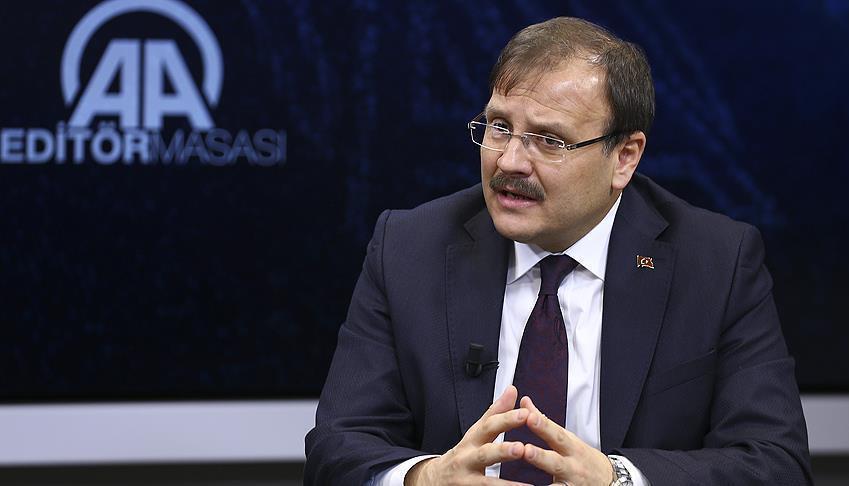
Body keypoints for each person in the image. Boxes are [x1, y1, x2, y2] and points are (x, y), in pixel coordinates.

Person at [304, 17, 812, 486]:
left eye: (549, 140)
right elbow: (336, 449)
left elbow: (776, 464)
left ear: (624, 157)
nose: (509, 161)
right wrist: (425, 479)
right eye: (499, 127)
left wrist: (618, 479)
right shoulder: (408, 247)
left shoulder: (716, 262)